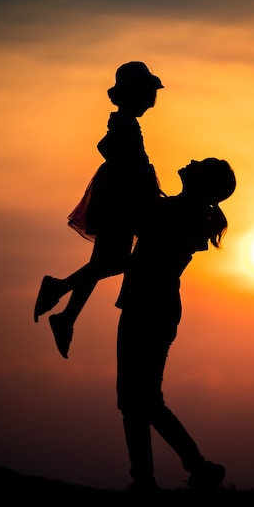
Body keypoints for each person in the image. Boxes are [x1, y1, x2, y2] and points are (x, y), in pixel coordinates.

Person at [115, 157, 236, 492]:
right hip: (153, 306)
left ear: (204, 183)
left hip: (149, 307)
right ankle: (151, 478)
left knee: (140, 399)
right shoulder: (179, 210)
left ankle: (187, 471)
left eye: (201, 164)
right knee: (137, 399)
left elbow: (137, 215)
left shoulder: (179, 214)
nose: (192, 161)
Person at [34, 62, 164, 358]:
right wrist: (138, 178)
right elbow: (108, 148)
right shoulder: (124, 123)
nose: (151, 100)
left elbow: (111, 148)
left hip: (118, 193)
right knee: (116, 261)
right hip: (120, 197)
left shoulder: (125, 122)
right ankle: (58, 288)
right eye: (146, 93)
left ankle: (66, 318)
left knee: (101, 261)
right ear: (133, 95)